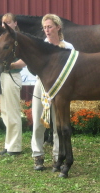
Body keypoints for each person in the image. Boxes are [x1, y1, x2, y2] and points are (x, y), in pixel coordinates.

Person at [31, 14, 74, 170]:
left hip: (60, 88)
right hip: (41, 86)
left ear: (58, 27)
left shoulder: (68, 47)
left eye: (49, 27)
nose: (47, 30)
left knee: (58, 123)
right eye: (44, 27)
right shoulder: (40, 46)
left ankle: (58, 155)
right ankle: (38, 155)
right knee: (38, 121)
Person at [0, 13, 26, 156]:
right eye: (3, 23)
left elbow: (24, 60)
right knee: (5, 111)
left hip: (12, 75)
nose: (4, 25)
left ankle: (15, 147)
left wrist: (11, 65)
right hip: (2, 75)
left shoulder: (19, 38)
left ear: (15, 23)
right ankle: (9, 144)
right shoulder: (3, 37)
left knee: (13, 111)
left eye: (8, 22)